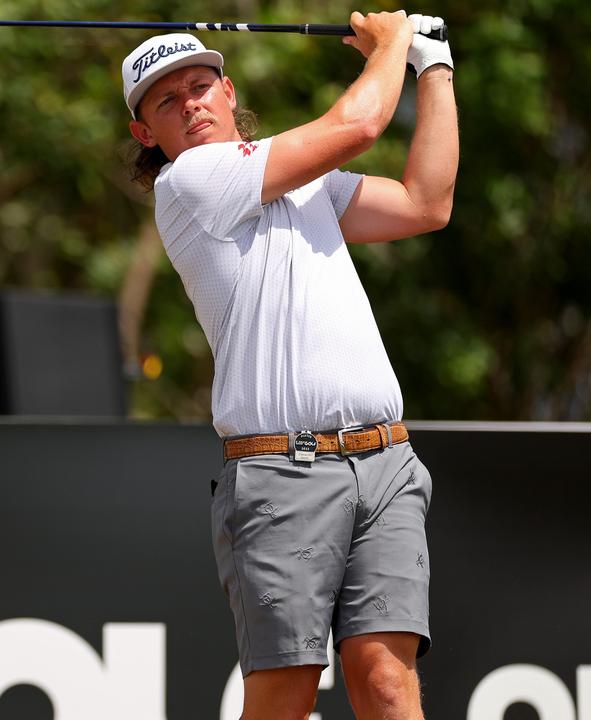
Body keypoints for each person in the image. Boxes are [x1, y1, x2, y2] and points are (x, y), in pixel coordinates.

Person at [121, 11, 456, 720]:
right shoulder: (190, 184)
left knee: (388, 685)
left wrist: (433, 67)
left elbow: (426, 204)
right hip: (282, 472)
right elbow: (356, 127)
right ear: (145, 133)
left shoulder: (309, 187)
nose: (190, 103)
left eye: (200, 85)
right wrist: (393, 43)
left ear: (228, 90)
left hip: (385, 462)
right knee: (283, 698)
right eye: (165, 99)